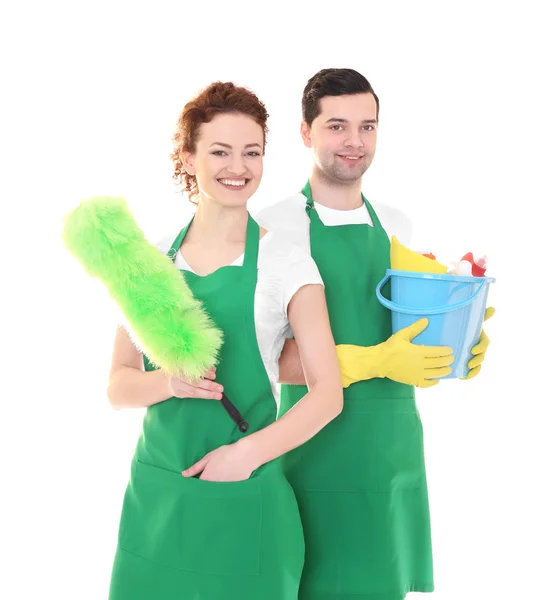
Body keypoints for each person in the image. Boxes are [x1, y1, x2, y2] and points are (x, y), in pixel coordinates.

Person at [254, 68, 494, 600]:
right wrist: (372, 361)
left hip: (394, 446)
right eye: (337, 126)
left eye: (368, 126)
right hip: (313, 449)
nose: (354, 142)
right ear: (305, 132)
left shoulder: (395, 224)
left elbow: (405, 327)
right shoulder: (273, 226)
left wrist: (457, 342)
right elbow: (260, 356)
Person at [106, 81, 343, 600]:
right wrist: (168, 383)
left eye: (251, 152)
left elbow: (329, 392)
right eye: (219, 151)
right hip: (160, 498)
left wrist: (248, 455)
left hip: (248, 497)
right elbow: (119, 385)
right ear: (187, 158)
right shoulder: (151, 261)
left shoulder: (287, 261)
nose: (238, 167)